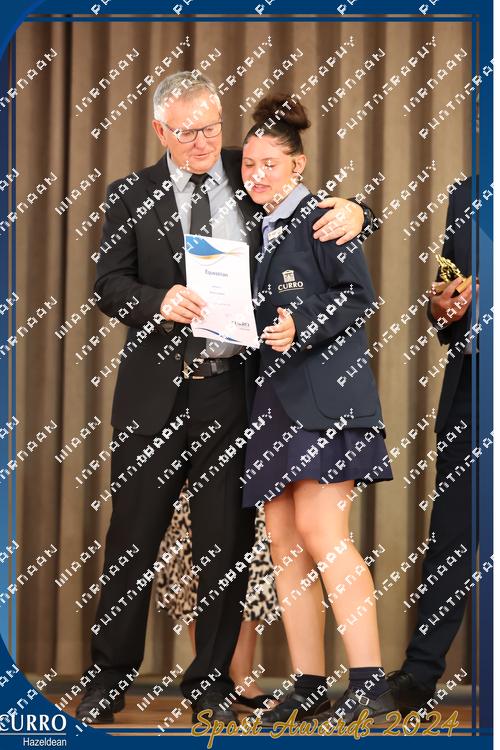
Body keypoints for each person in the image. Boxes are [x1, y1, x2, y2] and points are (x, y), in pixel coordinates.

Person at [75, 70, 375, 726]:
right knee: (133, 539)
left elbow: (313, 201)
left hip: (234, 392)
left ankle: (210, 683)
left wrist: (359, 210)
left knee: (225, 544)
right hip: (155, 392)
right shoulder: (130, 195)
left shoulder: (250, 170)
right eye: (188, 132)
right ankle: (107, 677)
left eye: (212, 127)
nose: (205, 142)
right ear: (161, 131)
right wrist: (157, 301)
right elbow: (108, 284)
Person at [239, 93, 394, 727]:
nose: (256, 175)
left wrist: (300, 324)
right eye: (248, 164)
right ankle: (307, 683)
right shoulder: (251, 225)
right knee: (282, 542)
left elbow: (358, 297)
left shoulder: (326, 217)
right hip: (271, 400)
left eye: (270, 164)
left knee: (321, 531)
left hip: (327, 397)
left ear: (298, 166)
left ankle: (370, 682)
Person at [387, 177, 479, 716]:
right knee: (451, 539)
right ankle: (419, 677)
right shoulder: (468, 193)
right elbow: (445, 298)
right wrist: (443, 306)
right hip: (473, 389)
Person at [155, 483, 278, 711]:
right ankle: (208, 683)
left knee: (253, 559)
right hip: (187, 476)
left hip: (247, 470)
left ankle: (241, 680)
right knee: (195, 561)